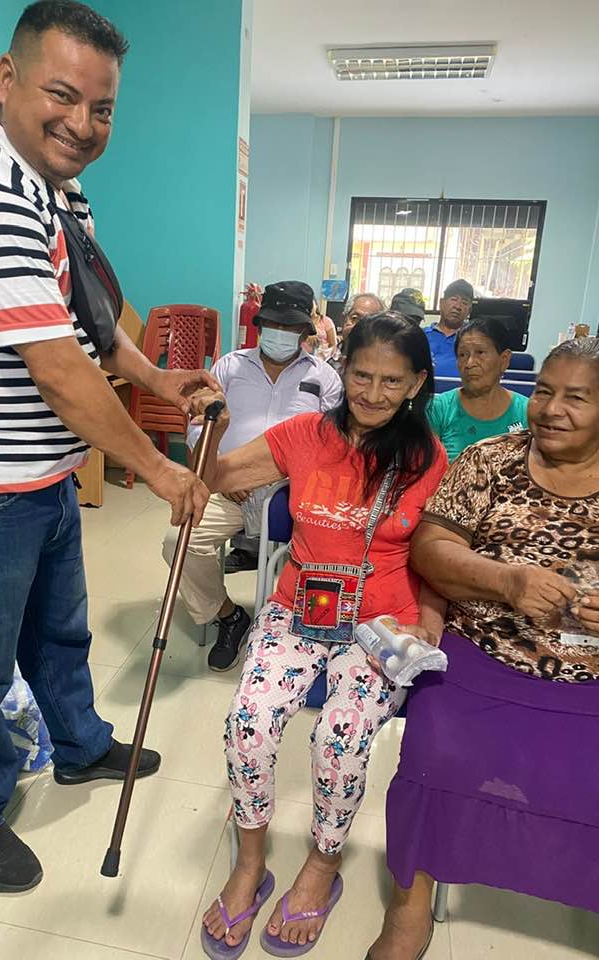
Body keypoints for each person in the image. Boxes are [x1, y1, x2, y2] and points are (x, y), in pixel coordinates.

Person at [0, 0, 217, 894]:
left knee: (59, 631)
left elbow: (91, 318)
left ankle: (78, 745)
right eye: (62, 96)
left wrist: (158, 380)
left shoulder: (54, 184)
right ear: (7, 80)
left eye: (102, 107)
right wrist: (159, 469)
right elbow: (61, 371)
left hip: (43, 473)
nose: (83, 124)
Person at [193, 313, 448, 958]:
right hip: (297, 607)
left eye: (392, 381)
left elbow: (440, 554)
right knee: (249, 721)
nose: (373, 393)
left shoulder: (428, 458)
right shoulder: (305, 434)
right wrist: (214, 427)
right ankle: (251, 861)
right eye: (361, 375)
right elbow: (219, 476)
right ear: (342, 369)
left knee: (342, 735)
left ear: (417, 383)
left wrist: (427, 625)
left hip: (381, 622)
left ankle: (323, 863)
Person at [368, 337, 599, 960]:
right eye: (544, 391)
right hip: (483, 650)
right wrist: (508, 581)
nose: (551, 409)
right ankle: (409, 907)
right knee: (434, 749)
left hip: (592, 675)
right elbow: (430, 548)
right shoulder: (489, 461)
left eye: (576, 398)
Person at [162, 281, 342, 671]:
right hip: (227, 486)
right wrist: (222, 471)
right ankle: (229, 616)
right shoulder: (230, 367)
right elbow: (197, 427)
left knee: (330, 552)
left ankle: (295, 630)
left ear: (304, 330)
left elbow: (332, 447)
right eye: (273, 323)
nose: (280, 332)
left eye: (289, 326)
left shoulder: (325, 378)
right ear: (260, 324)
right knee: (179, 541)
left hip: (292, 495)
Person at [429, 316, 528, 461]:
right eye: (462, 355)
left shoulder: (526, 412)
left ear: (504, 359)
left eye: (480, 353)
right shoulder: (438, 409)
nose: (469, 363)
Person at [424, 279, 474, 377]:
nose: (458, 306)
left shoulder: (473, 340)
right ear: (441, 303)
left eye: (464, 302)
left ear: (469, 311)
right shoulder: (421, 336)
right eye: (454, 299)